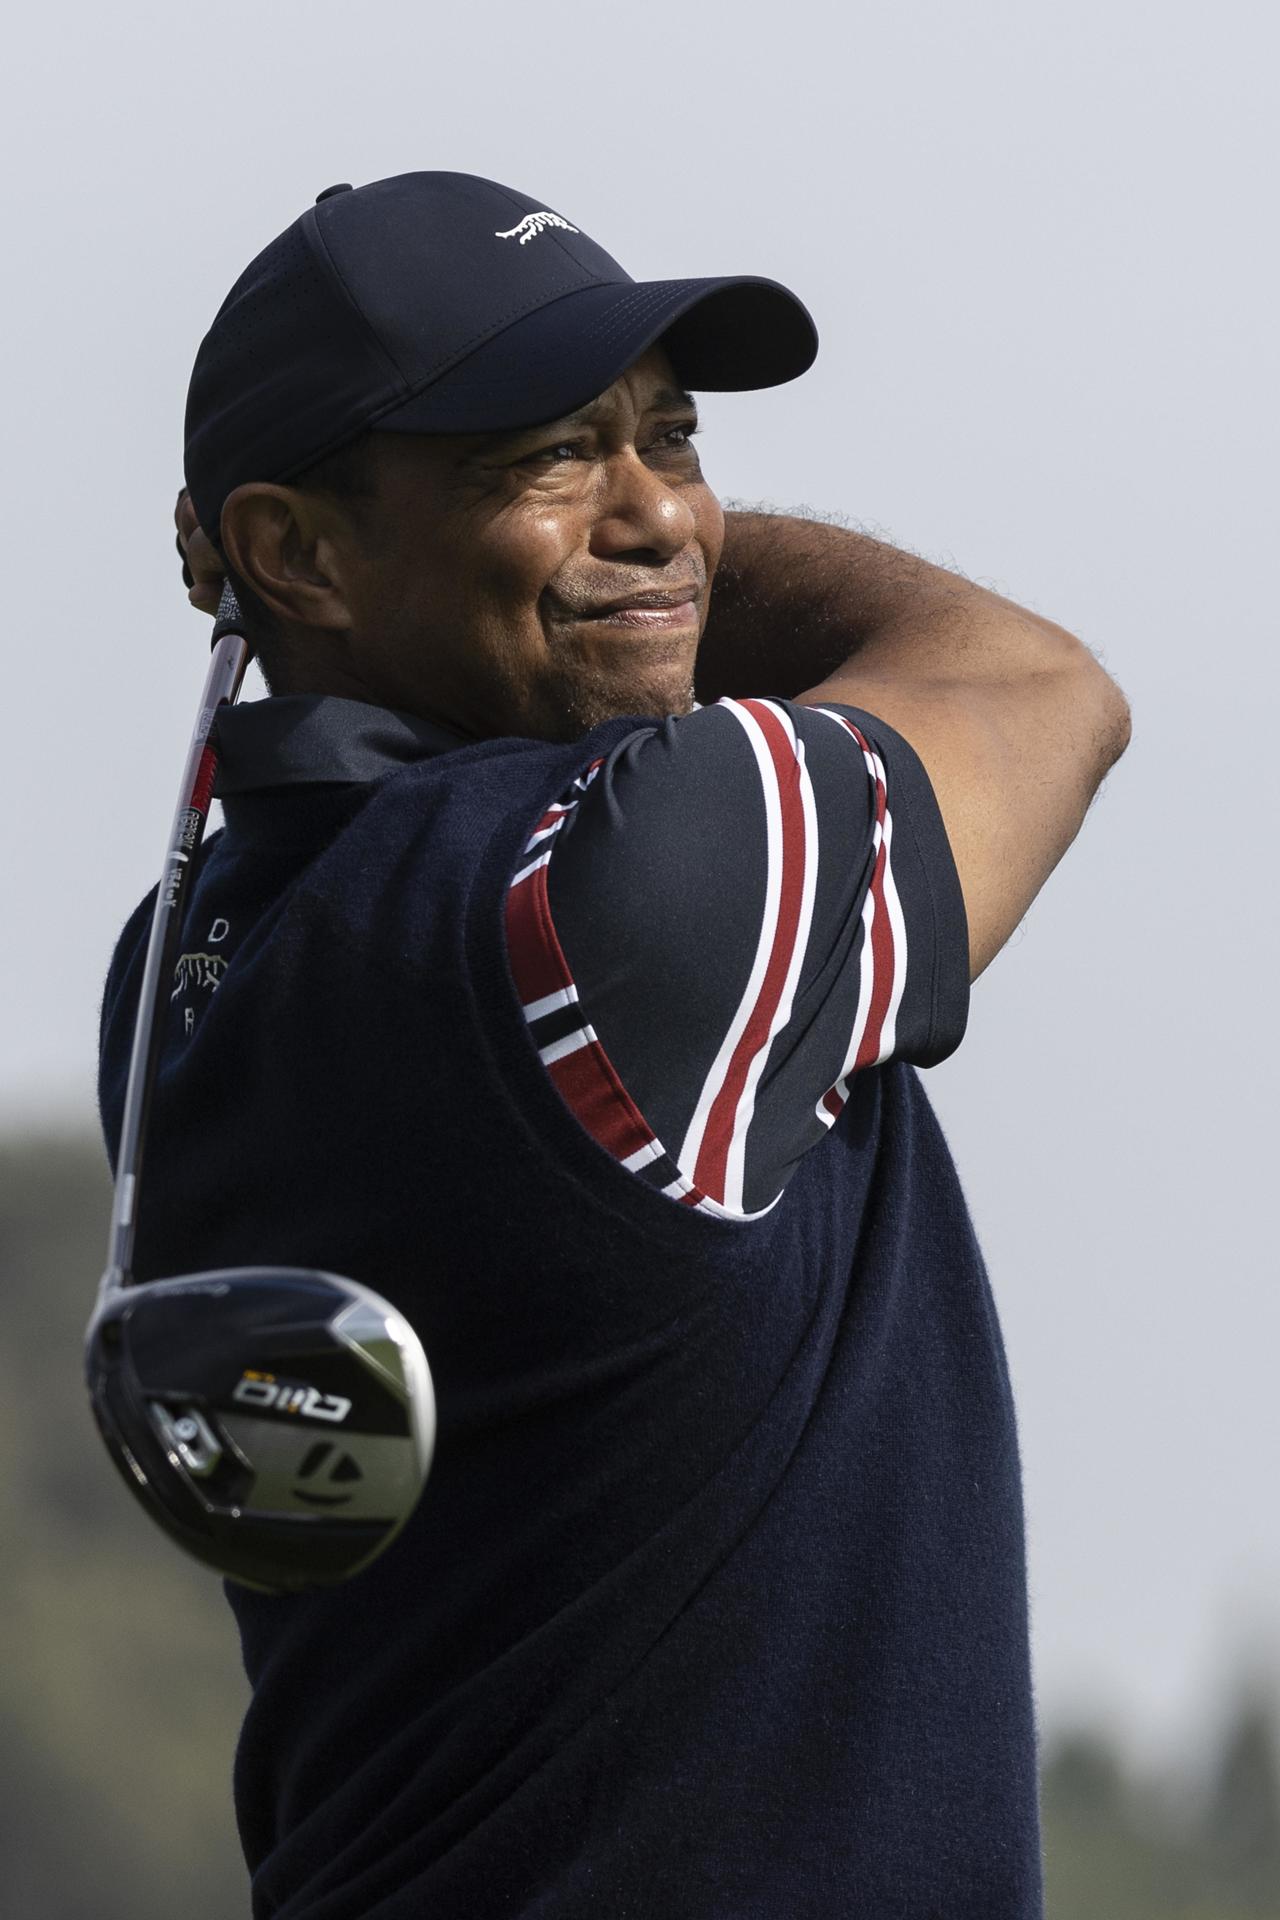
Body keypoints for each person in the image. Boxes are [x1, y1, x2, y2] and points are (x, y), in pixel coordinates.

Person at [100, 171, 1130, 1918]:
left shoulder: (187, 956)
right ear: (292, 547)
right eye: (549, 455)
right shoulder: (633, 896)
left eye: (673, 437)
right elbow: (1037, 689)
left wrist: (580, 557)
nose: (661, 512)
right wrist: (668, 583)